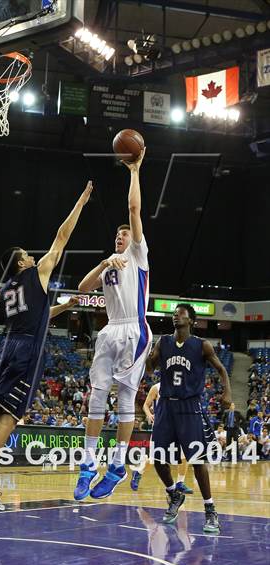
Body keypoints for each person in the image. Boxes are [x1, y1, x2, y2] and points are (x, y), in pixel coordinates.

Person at [0, 182, 93, 515]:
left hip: (10, 348)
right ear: (21, 264)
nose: (33, 257)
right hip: (28, 351)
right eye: (27, 256)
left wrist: (63, 307)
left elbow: (38, 315)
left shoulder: (6, 292)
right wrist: (81, 201)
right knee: (10, 419)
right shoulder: (35, 273)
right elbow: (61, 238)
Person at [74, 150, 152, 501]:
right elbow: (81, 289)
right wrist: (105, 261)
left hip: (135, 330)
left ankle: (118, 465)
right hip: (109, 331)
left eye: (125, 237)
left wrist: (134, 171)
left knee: (124, 402)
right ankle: (88, 464)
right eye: (118, 237)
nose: (122, 239)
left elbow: (134, 211)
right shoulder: (109, 264)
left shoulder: (138, 254)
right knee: (95, 398)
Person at [147, 304, 231, 533]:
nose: (176, 315)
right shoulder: (162, 342)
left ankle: (210, 510)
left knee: (197, 461)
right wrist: (146, 356)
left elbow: (221, 369)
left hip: (189, 407)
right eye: (174, 313)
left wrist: (227, 393)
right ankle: (174, 493)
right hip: (165, 405)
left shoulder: (201, 345)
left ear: (191, 320)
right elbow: (149, 369)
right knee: (157, 458)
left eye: (181, 313)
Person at [130, 382, 193, 494]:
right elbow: (145, 405)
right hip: (162, 426)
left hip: (179, 426)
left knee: (184, 455)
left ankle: (180, 483)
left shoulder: (183, 386)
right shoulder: (157, 387)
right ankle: (138, 472)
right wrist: (149, 414)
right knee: (155, 459)